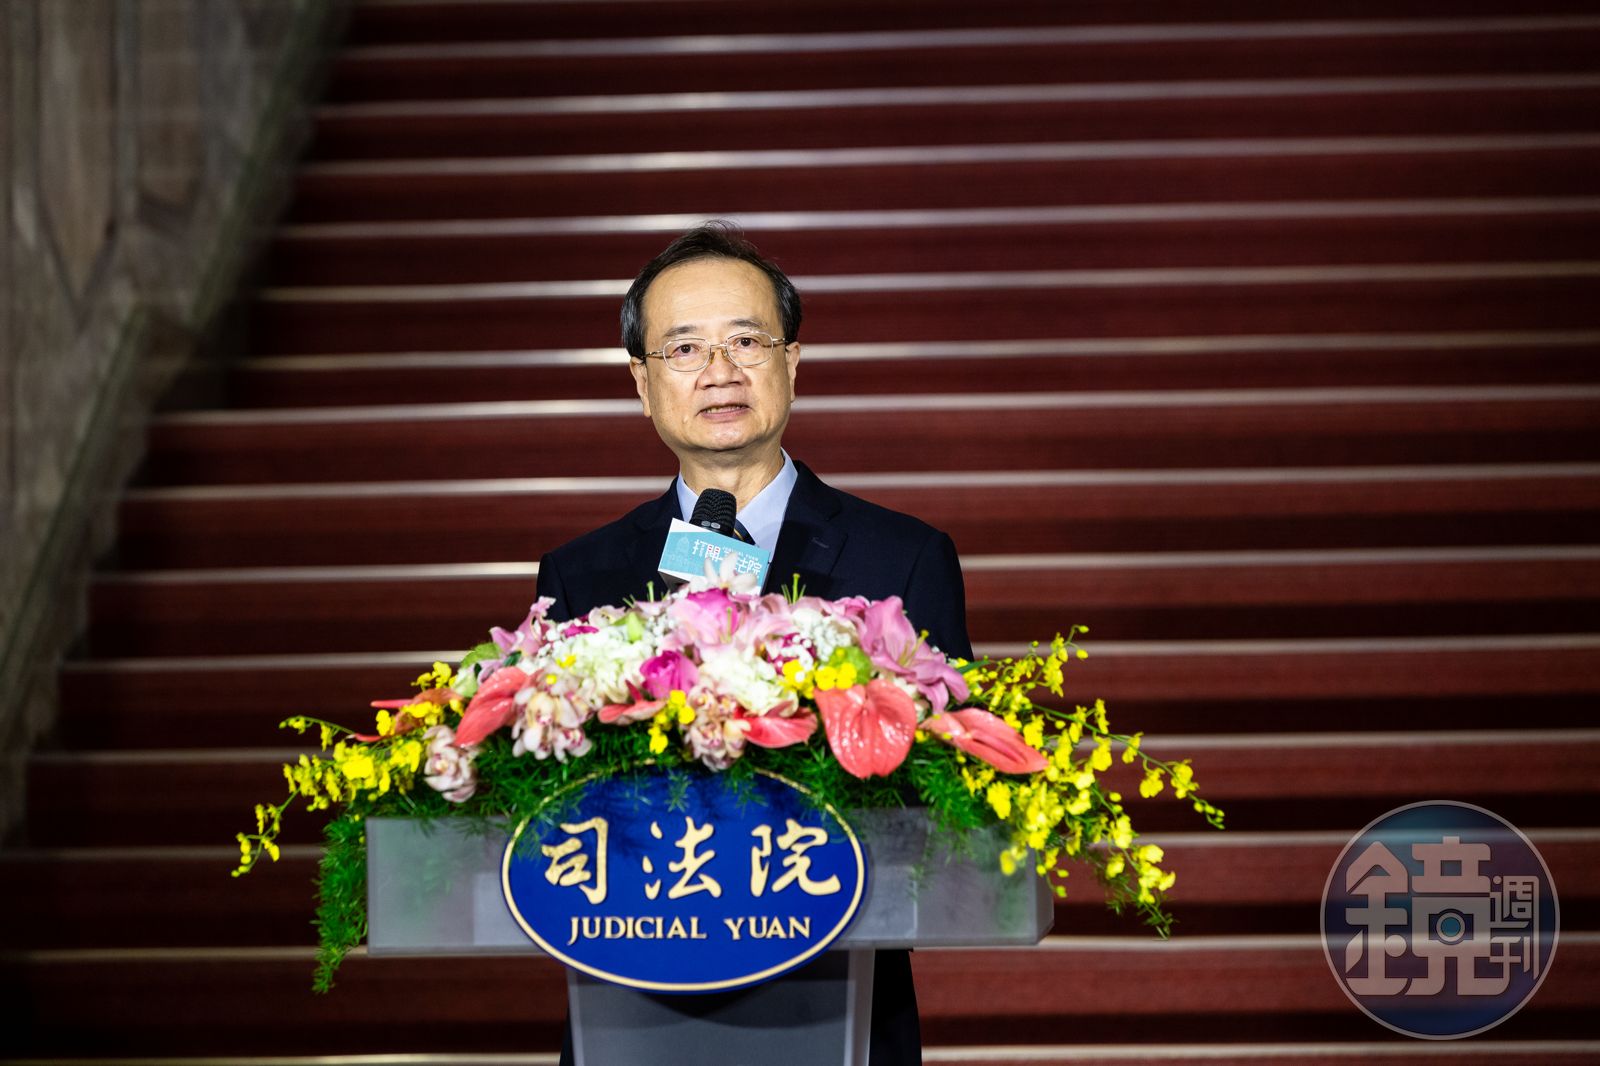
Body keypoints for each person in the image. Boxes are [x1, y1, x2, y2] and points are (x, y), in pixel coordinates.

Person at [538, 221, 971, 1066]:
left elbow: (949, 803)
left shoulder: (903, 559)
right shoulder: (583, 573)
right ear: (642, 383)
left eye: (746, 342)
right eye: (684, 349)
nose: (719, 372)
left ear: (792, 364)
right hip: (632, 1000)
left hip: (838, 999)